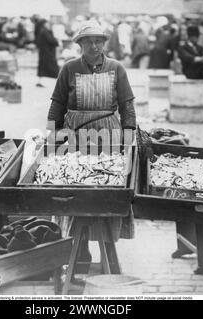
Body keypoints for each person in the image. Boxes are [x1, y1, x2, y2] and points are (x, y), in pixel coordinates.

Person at [47, 21, 136, 271]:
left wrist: (128, 137)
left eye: (98, 41)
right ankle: (81, 251)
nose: (94, 46)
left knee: (107, 190)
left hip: (109, 134)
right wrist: (52, 137)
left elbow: (128, 105)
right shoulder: (69, 69)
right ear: (80, 45)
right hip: (76, 136)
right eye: (88, 41)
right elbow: (57, 104)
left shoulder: (116, 69)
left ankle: (108, 249)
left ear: (104, 43)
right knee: (76, 190)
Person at [35, 19, 59, 87]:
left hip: (44, 52)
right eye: (47, 23)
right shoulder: (45, 31)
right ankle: (59, 82)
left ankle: (39, 81)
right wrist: (56, 41)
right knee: (53, 67)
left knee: (43, 68)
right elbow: (52, 41)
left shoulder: (42, 31)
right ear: (44, 24)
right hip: (48, 53)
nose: (49, 24)